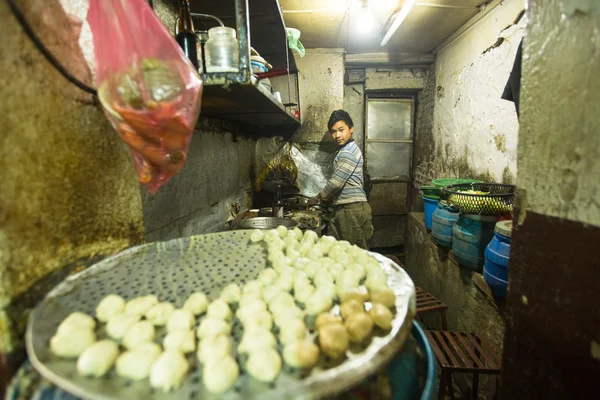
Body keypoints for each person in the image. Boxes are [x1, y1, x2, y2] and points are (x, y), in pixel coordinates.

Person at [314, 110, 374, 249]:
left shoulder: (348, 152)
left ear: (351, 128)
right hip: (345, 209)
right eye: (333, 132)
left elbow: (336, 183)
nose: (337, 135)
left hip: (351, 209)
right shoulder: (346, 149)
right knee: (340, 252)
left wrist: (319, 197)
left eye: (341, 130)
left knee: (354, 254)